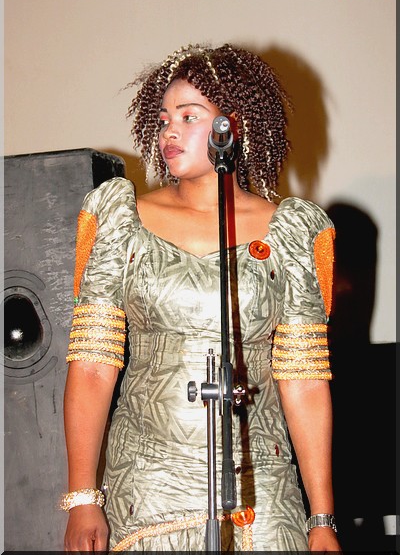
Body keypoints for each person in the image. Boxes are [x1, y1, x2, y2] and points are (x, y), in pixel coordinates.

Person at [62, 43, 341, 552]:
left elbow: (303, 380)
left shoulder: (291, 231)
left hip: (262, 489)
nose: (169, 131)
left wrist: (322, 518)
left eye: (189, 116)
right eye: (164, 118)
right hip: (146, 490)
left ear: (235, 126)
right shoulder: (121, 219)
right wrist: (83, 497)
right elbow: (93, 364)